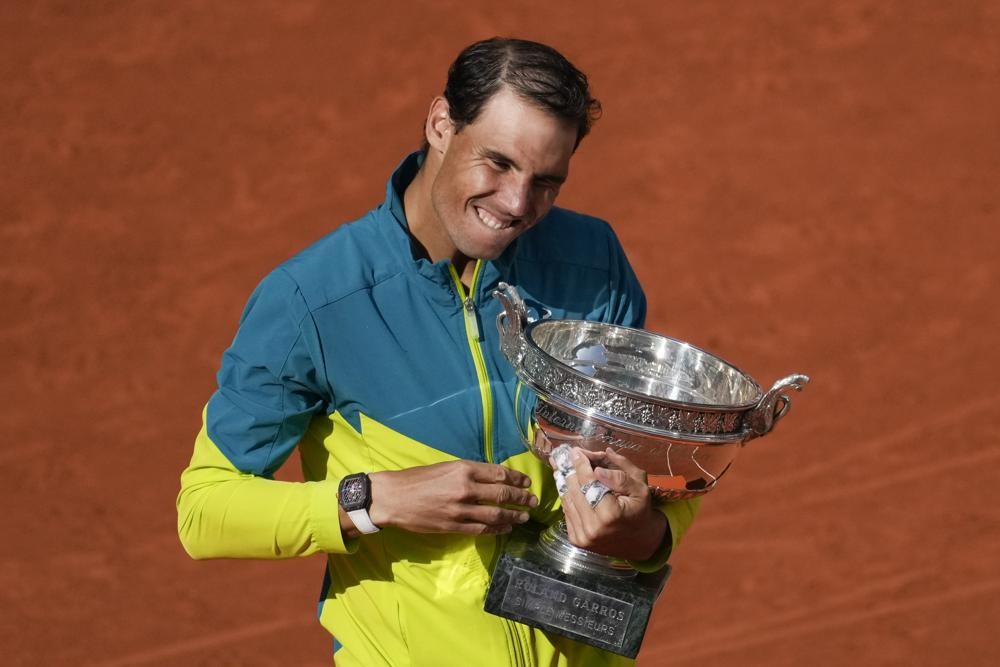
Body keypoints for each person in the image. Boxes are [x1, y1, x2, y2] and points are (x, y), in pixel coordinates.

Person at [177, 37, 700, 667]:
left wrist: (644, 530)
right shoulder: (310, 301)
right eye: (499, 164)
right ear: (441, 124)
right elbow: (205, 510)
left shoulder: (594, 263)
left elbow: (646, 484)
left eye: (546, 183)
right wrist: (374, 500)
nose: (516, 205)